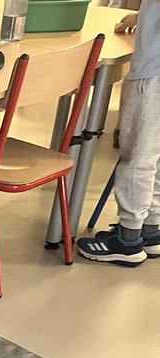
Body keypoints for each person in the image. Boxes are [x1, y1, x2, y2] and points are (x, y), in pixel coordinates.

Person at [77, 0, 160, 265]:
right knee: (154, 155)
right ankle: (152, 229)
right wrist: (141, 15)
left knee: (138, 155)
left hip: (153, 70)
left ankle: (128, 238)